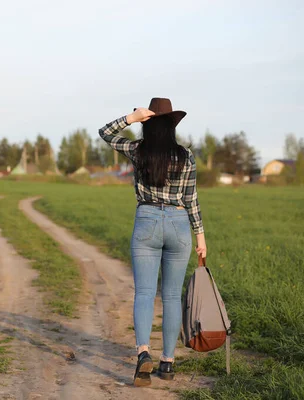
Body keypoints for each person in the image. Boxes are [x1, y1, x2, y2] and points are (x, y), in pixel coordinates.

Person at [98, 98, 206, 387]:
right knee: (171, 296)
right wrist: (200, 236)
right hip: (179, 224)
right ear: (172, 126)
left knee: (145, 293)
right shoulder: (186, 156)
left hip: (146, 220)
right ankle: (167, 363)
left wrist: (132, 118)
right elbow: (191, 199)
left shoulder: (137, 150)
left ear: (148, 123)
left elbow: (105, 133)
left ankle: (143, 352)